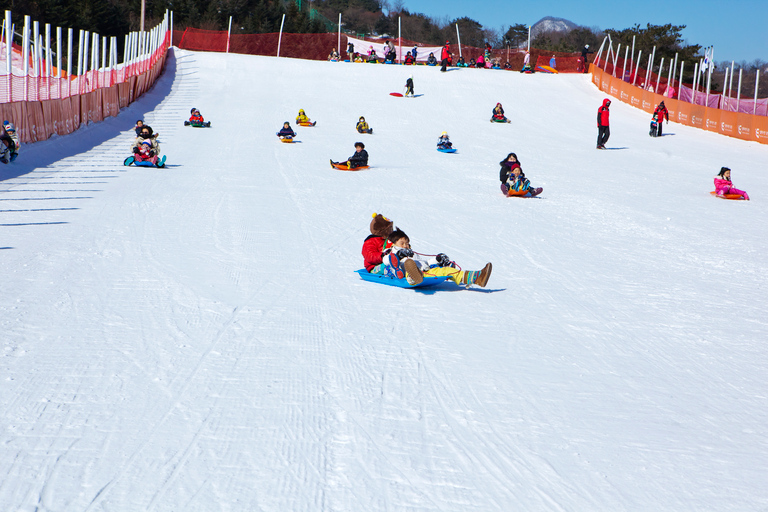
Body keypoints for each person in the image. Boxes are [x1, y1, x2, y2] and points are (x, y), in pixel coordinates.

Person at [381, 228, 493, 288]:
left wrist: (437, 260)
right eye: (402, 243)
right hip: (406, 271)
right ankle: (412, 277)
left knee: (447, 271)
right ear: (394, 244)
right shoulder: (391, 252)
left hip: (424, 272)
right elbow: (385, 260)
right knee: (409, 264)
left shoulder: (413, 254)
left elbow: (425, 262)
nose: (406, 245)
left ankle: (477, 278)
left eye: (407, 243)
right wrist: (398, 255)